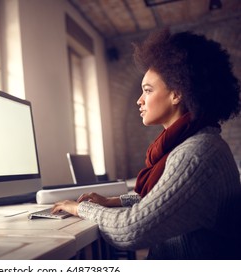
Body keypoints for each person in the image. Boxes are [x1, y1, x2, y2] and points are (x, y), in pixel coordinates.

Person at [52, 29, 241, 259]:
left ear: (177, 93)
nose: (139, 100)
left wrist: (79, 208)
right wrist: (112, 201)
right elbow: (167, 201)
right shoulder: (196, 141)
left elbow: (130, 230)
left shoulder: (196, 154)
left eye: (148, 90)